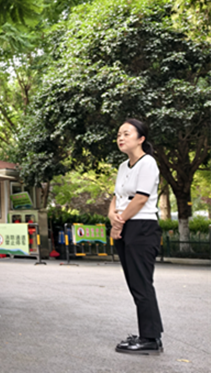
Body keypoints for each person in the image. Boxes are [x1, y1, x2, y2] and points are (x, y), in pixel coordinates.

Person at [109, 118, 164, 355]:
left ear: (141, 139)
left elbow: (140, 198)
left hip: (142, 227)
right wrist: (112, 216)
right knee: (134, 283)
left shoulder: (148, 163)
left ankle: (150, 338)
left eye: (127, 133)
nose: (121, 137)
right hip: (126, 226)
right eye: (119, 134)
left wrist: (119, 223)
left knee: (142, 283)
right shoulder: (123, 166)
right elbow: (116, 197)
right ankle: (149, 333)